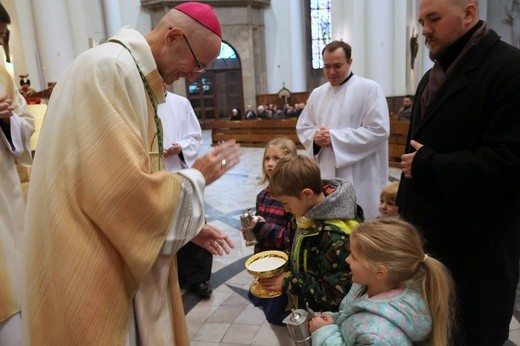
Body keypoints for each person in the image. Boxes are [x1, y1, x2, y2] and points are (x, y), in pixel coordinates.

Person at [23, 2, 242, 345]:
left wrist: (183, 227)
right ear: (173, 36)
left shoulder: (131, 74)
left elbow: (127, 177)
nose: (194, 76)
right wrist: (196, 177)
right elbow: (119, 193)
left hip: (107, 240)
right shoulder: (110, 70)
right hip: (91, 254)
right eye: (197, 65)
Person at [397, 0, 520, 344]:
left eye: (433, 19)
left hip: (477, 253)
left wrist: (431, 166)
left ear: (468, 13)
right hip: (429, 245)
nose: (424, 31)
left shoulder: (510, 68)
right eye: (422, 21)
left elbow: (512, 159)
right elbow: (414, 155)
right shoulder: (430, 77)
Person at [309, 218, 455, 346]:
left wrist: (325, 333)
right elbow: (350, 314)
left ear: (380, 272)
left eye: (354, 257)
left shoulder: (379, 336)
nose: (347, 260)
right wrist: (334, 321)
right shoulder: (367, 285)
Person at [296, 40, 390, 220]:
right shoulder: (317, 94)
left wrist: (334, 138)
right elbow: (303, 126)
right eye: (327, 66)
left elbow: (379, 130)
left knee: (361, 223)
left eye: (338, 66)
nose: (331, 72)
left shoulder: (369, 88)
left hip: (361, 173)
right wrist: (315, 137)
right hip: (326, 170)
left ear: (350, 62)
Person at [259, 155, 363, 314]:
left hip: (327, 318)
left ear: (307, 194)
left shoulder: (336, 237)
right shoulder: (305, 213)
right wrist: (281, 264)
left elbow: (335, 296)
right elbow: (305, 253)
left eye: (286, 202)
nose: (285, 209)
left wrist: (289, 282)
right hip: (307, 304)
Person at [0, 4, 35, 345]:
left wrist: (6, 120)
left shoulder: (3, 76)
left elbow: (26, 123)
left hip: (4, 207)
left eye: (0, 37)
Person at [158, 89, 213, 299]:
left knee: (193, 224)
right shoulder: (139, 102)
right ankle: (172, 277)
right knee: (164, 229)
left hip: (181, 173)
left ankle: (199, 278)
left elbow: (195, 136)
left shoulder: (180, 103)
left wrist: (179, 147)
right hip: (155, 176)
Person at [242, 138, 297, 344]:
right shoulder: (262, 196)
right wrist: (252, 231)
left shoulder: (292, 197)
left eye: (277, 158)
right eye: (267, 158)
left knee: (282, 317)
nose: (270, 163)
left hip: (284, 268)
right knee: (272, 317)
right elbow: (262, 230)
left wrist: (262, 227)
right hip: (266, 265)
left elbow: (291, 238)